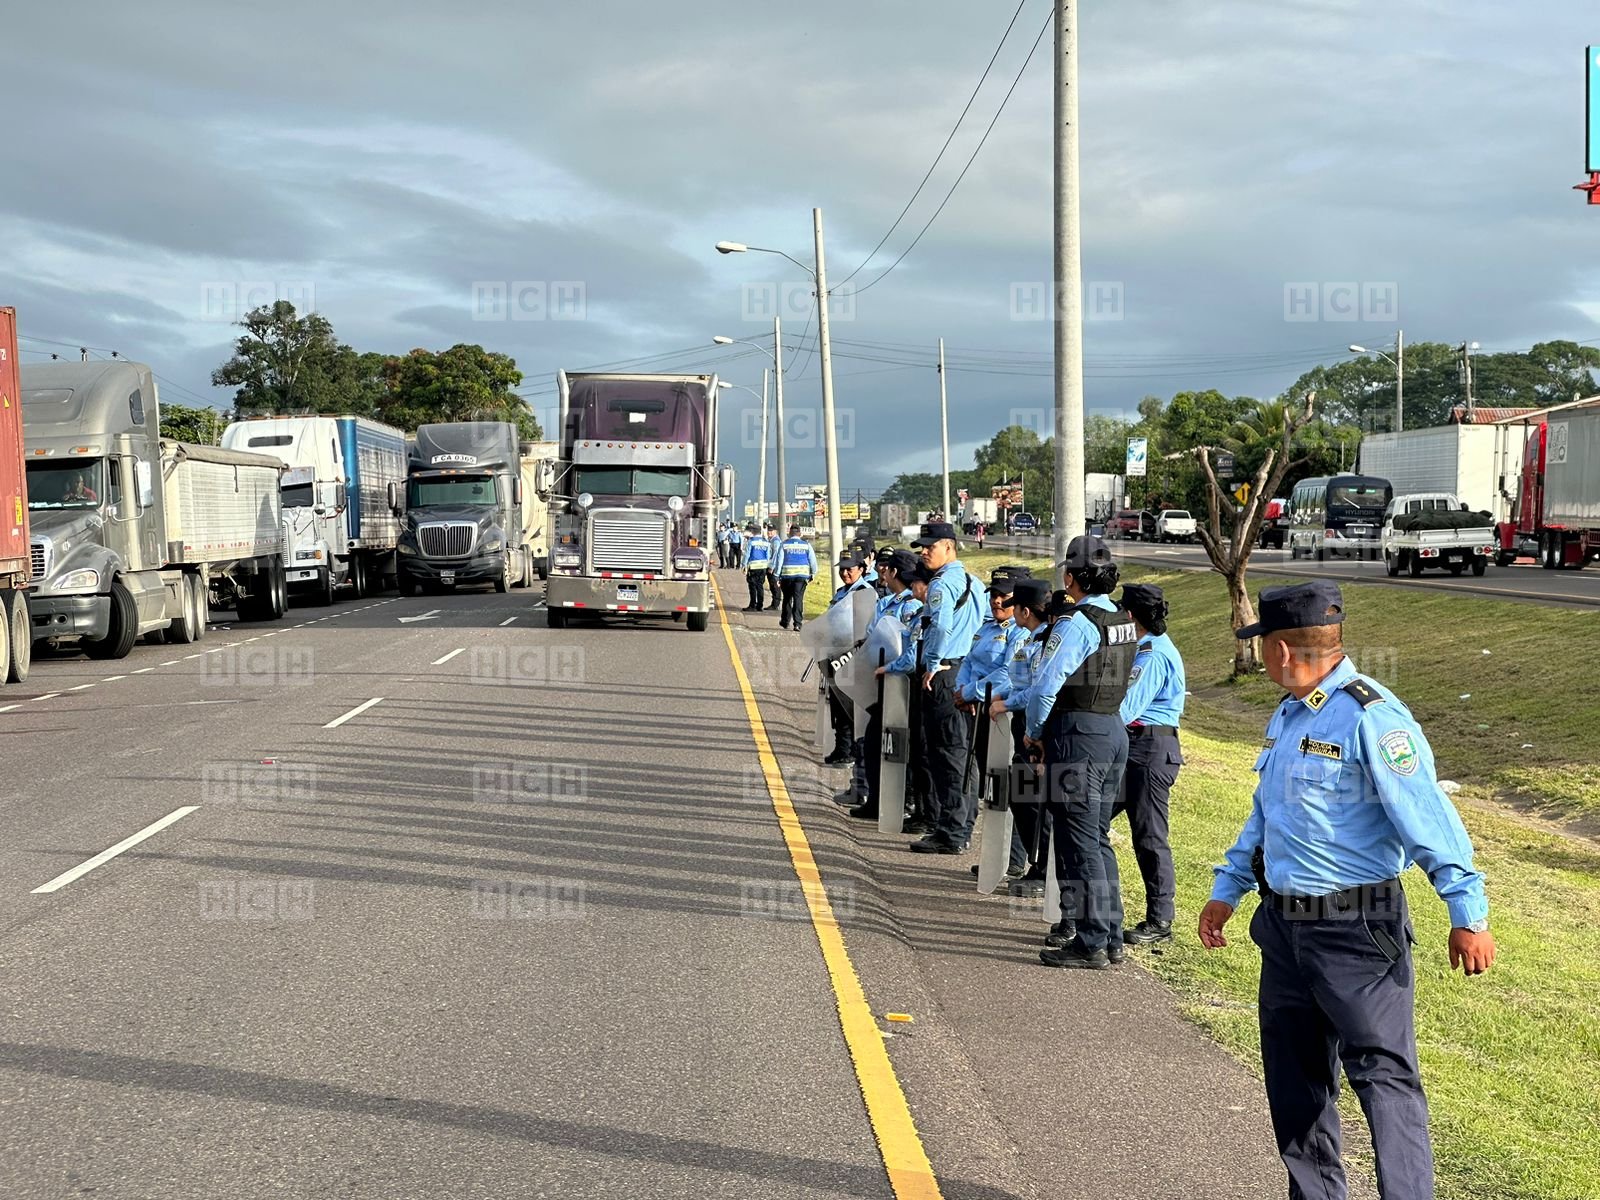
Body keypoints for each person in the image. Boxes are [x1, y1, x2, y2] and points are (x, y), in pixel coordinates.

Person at [1200, 581, 1494, 1200]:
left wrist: (1466, 912)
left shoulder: (1372, 716)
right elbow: (1266, 815)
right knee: (1296, 1085)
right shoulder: (1288, 712)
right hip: (1285, 930)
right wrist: (1229, 888)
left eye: (1262, 644)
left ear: (1281, 650)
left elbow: (1426, 817)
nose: (1260, 654)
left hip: (1357, 931)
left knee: (1384, 1080)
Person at [1026, 535, 1138, 968]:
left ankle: (1091, 942)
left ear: (1071, 578)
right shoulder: (1122, 619)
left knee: (1079, 840)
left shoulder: (1076, 623)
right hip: (1112, 730)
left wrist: (1034, 733)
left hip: (1078, 735)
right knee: (1096, 838)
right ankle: (1110, 936)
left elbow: (1045, 687)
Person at [1115, 583, 1186, 946]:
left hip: (1150, 748)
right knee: (1089, 818)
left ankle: (1160, 919)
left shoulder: (1153, 654)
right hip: (1138, 746)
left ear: (1130, 616)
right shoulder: (1145, 647)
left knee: (1149, 836)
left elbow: (1127, 708)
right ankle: (1094, 909)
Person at [908, 522, 982, 854]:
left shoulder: (941, 584)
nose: (924, 552)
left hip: (944, 672)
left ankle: (950, 831)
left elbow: (939, 625)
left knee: (946, 754)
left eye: (930, 546)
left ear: (948, 546)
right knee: (963, 754)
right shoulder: (974, 582)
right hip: (965, 670)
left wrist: (933, 662)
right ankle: (962, 825)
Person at [955, 567, 1033, 882]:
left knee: (1008, 786)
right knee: (993, 787)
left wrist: (972, 692)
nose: (997, 602)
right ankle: (994, 856)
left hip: (1006, 714)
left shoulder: (1021, 632)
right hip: (981, 711)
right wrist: (962, 690)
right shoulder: (987, 627)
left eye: (1005, 597)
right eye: (994, 595)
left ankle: (1013, 858)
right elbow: (968, 661)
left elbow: (1008, 674)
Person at [990, 578, 1055, 896]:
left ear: (1025, 611)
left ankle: (1044, 869)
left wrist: (1006, 703)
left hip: (1036, 729)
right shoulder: (1032, 639)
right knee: (1023, 798)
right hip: (1024, 726)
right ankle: (1037, 864)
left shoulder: (1045, 644)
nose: (1010, 610)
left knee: (1032, 801)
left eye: (1014, 606)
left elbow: (1038, 690)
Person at [855, 550, 924, 822]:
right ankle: (877, 800)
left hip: (902, 684)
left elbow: (911, 647)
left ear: (895, 573)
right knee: (874, 741)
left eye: (888, 569)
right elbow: (871, 634)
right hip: (880, 680)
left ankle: (904, 799)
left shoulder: (913, 606)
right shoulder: (886, 601)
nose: (882, 573)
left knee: (900, 743)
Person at [825, 553, 875, 776]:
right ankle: (841, 748)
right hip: (836, 654)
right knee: (837, 703)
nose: (845, 573)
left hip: (853, 656)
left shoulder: (865, 593)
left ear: (861, 569)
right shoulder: (841, 592)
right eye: (842, 569)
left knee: (849, 705)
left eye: (850, 569)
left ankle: (851, 751)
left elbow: (863, 628)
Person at [774, 524, 817, 632]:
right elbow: (813, 561)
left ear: (789, 534)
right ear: (800, 534)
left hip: (787, 576)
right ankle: (797, 623)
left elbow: (779, 561)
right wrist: (813, 573)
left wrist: (777, 575)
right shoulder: (806, 545)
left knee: (787, 599)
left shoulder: (784, 545)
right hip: (801, 577)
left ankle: (785, 621)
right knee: (798, 599)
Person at [742, 524, 774, 612]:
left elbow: (747, 554)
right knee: (760, 586)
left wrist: (744, 565)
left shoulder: (751, 541)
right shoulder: (766, 542)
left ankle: (752, 605)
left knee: (752, 586)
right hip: (763, 567)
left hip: (753, 567)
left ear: (752, 532)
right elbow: (768, 556)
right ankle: (760, 605)